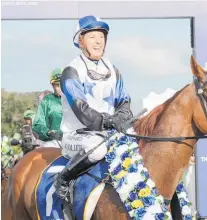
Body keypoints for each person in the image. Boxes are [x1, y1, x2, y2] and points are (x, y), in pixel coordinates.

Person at [54, 15, 133, 200]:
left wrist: (121, 117)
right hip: (77, 135)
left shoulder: (113, 70)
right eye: (92, 37)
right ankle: (63, 179)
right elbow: (80, 108)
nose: (98, 42)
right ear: (80, 41)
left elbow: (124, 100)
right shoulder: (71, 71)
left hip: (106, 134)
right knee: (98, 150)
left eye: (101, 37)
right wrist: (107, 120)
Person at [32, 68, 63, 148]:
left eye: (61, 84)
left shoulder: (75, 99)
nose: (59, 88)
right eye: (56, 85)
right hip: (53, 143)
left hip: (73, 142)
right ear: (52, 85)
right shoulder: (47, 100)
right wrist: (48, 132)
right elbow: (37, 125)